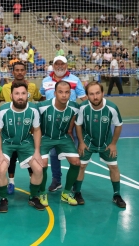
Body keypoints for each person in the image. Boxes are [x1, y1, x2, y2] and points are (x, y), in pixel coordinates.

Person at [74, 82, 126, 208]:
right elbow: (78, 124)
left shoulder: (112, 107)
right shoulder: (83, 107)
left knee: (113, 167)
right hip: (87, 141)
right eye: (91, 94)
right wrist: (81, 142)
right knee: (81, 166)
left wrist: (113, 143)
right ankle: (77, 193)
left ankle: (117, 195)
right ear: (87, 95)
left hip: (106, 142)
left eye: (98, 93)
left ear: (102, 93)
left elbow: (119, 125)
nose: (95, 97)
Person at [0, 82, 44, 211]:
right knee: (1, 169)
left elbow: (37, 130)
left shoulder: (33, 109)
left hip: (25, 142)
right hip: (7, 143)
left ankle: (33, 197)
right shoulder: (4, 110)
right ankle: (3, 198)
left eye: (23, 93)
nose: (20, 96)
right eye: (17, 94)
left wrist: (37, 151)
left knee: (39, 169)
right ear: (11, 95)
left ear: (27, 95)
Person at [40, 56, 87, 192]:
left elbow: (83, 98)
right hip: (51, 125)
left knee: (74, 155)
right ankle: (57, 180)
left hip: (71, 123)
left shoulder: (75, 79)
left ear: (67, 65)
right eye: (57, 63)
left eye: (62, 64)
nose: (60, 66)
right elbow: (43, 98)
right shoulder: (45, 81)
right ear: (53, 65)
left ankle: (74, 183)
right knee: (54, 154)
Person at [0, 62, 42, 194]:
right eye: (16, 70)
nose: (19, 72)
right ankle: (10, 183)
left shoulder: (33, 87)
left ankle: (33, 187)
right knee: (8, 162)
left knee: (34, 165)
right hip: (9, 130)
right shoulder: (5, 88)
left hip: (26, 131)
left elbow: (40, 98)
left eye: (22, 70)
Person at [37, 81, 81, 206]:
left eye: (67, 92)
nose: (64, 95)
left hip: (63, 137)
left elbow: (73, 117)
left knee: (76, 162)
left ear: (70, 93)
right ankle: (42, 193)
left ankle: (66, 193)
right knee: (42, 165)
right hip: (45, 137)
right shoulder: (43, 106)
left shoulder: (74, 107)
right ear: (55, 93)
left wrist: (69, 130)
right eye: (60, 92)